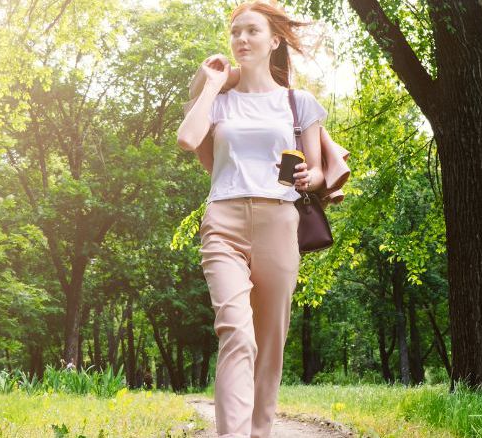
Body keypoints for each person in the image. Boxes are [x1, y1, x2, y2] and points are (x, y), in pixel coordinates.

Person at [174, 2, 326, 437]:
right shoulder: (220, 104)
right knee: (235, 332)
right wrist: (212, 83)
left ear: (274, 40)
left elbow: (315, 171)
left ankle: (261, 431)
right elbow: (188, 139)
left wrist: (307, 176)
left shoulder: (300, 103)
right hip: (223, 221)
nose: (242, 39)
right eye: (236, 32)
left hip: (279, 221)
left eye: (252, 32)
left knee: (270, 340)